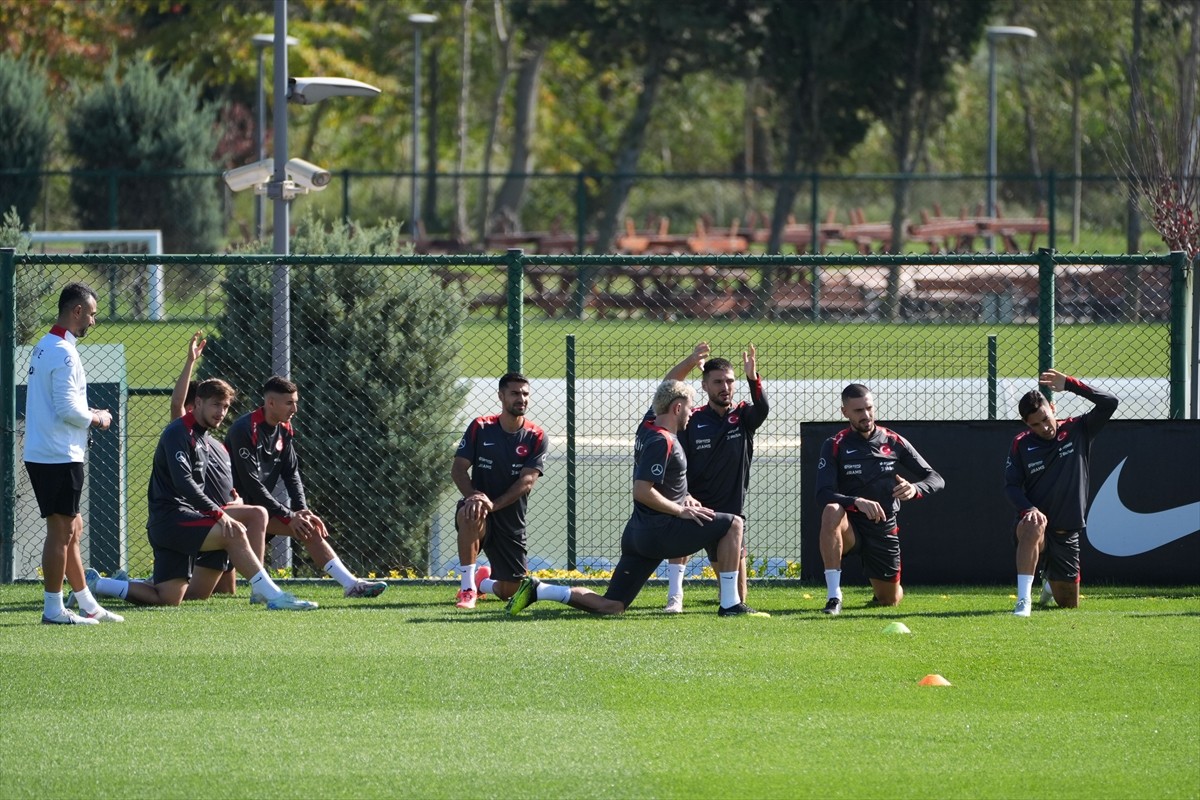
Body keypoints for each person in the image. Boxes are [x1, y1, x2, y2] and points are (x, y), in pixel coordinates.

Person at [505, 380, 765, 618]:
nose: (691, 413)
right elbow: (642, 490)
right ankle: (730, 604)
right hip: (661, 531)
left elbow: (667, 393)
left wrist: (684, 495)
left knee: (612, 605)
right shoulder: (663, 441)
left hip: (638, 535)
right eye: (688, 408)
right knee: (733, 524)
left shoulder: (647, 428)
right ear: (677, 408)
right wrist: (680, 510)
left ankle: (540, 590)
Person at [86, 378, 315, 609]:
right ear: (197, 403)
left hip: (187, 519)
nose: (221, 412)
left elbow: (204, 486)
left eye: (225, 407)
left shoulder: (203, 437)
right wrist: (219, 514)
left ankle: (96, 585)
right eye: (216, 404)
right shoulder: (178, 432)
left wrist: (230, 501)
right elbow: (184, 483)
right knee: (234, 532)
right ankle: (272, 595)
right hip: (171, 521)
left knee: (168, 598)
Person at [225, 376, 387, 600]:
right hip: (232, 510)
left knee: (307, 527)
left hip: (261, 509)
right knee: (207, 590)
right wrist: (288, 515)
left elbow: (292, 473)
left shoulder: (284, 429)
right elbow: (251, 484)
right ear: (270, 403)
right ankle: (260, 589)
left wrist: (302, 510)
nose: (295, 409)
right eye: (289, 403)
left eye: (296, 402)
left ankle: (351, 585)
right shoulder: (245, 429)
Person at [23, 283, 122, 625]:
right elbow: (67, 409)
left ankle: (88, 604)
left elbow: (60, 403)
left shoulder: (46, 345)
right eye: (91, 314)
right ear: (77, 311)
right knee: (61, 531)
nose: (93, 321)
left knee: (73, 528)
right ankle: (53, 608)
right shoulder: (63, 352)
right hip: (58, 454)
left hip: (47, 451)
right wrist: (99, 418)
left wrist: (87, 410)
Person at [815, 383, 944, 615]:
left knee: (889, 600)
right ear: (845, 412)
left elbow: (935, 478)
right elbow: (822, 493)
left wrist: (914, 488)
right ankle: (834, 597)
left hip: (882, 526)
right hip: (850, 526)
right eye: (858, 411)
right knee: (831, 509)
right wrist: (857, 502)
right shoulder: (835, 444)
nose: (866, 415)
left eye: (869, 408)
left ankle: (883, 588)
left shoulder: (893, 440)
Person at [660, 342, 768, 613]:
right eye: (718, 382)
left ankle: (727, 599)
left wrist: (752, 378)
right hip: (696, 505)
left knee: (738, 596)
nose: (725, 387)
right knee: (680, 527)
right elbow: (676, 463)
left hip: (730, 516)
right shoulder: (692, 420)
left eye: (729, 381)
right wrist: (684, 495)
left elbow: (763, 409)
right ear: (705, 386)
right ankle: (675, 597)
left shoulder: (743, 416)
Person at [1004, 369, 1118, 617]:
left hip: (1067, 532)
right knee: (1032, 524)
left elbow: (1110, 402)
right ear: (1026, 424)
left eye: (1045, 418)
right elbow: (1011, 486)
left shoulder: (1079, 429)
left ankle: (1049, 580)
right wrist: (1029, 509)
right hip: (1037, 528)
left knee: (1067, 603)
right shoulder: (1021, 443)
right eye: (1035, 424)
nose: (1044, 427)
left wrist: (1070, 384)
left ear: (1053, 408)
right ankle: (1023, 600)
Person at [450, 372, 547, 609]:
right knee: (470, 512)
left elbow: (527, 482)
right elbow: (458, 469)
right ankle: (467, 590)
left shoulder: (537, 436)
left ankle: (481, 582)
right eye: (514, 393)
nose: (521, 399)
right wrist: (474, 496)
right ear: (501, 396)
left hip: (510, 519)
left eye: (525, 394)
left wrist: (493, 504)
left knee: (510, 591)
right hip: (479, 509)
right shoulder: (480, 427)